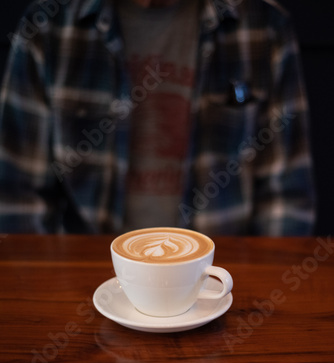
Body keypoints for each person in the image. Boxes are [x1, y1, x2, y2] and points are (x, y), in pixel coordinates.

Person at [0, 0, 316, 235]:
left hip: (224, 280)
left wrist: (258, 298)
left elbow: (285, 198)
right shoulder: (47, 26)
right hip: (87, 279)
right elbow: (17, 195)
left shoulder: (265, 26)